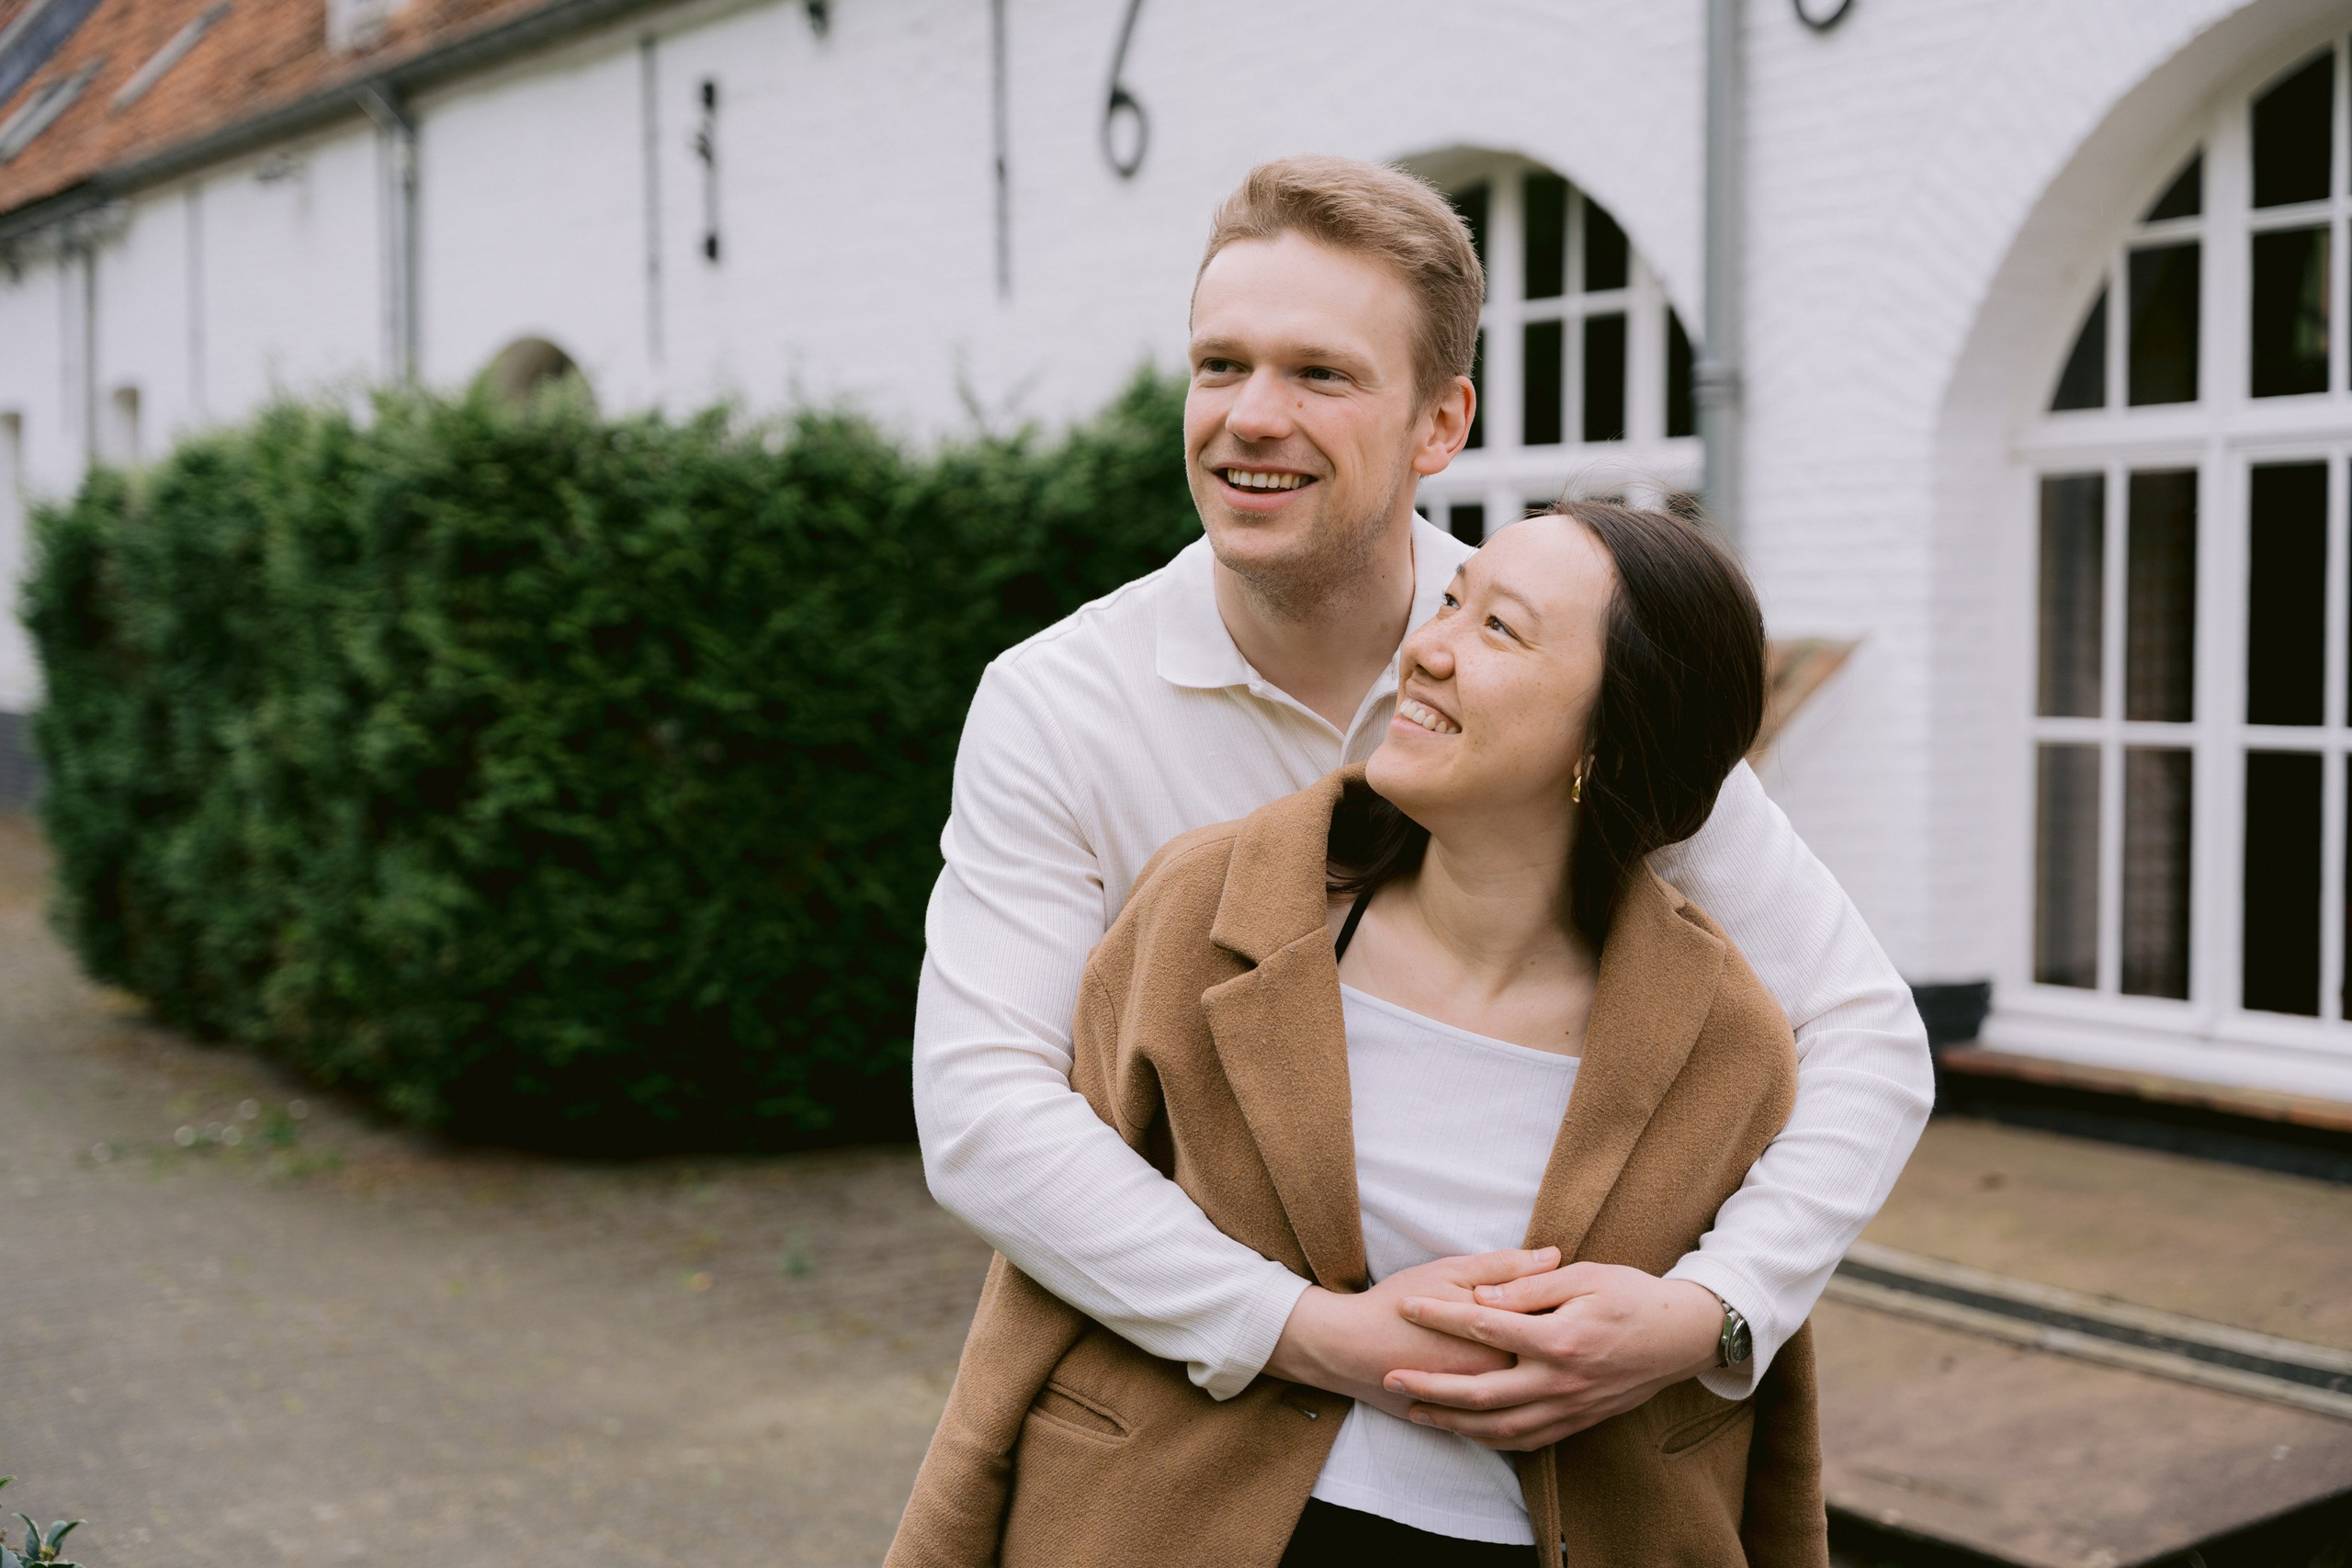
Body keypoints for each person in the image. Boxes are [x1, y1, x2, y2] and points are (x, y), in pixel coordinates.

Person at [901, 152, 1929, 1547]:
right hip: (1178, 1478)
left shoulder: (1554, 665)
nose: (1250, 417)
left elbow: (1865, 1033)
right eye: (1220, 364)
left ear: (1442, 420)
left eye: (1319, 373)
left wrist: (1707, 1307)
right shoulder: (1060, 700)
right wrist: (1311, 1329)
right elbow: (982, 1110)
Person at [894, 501, 1825, 1565]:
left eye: (1498, 630)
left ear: (1607, 740)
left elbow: (1764, 1426)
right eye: (1449, 605)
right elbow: (1036, 1239)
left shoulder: (1728, 1040)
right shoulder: (1206, 911)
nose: (1424, 651)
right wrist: (1305, 1332)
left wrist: (1699, 1323)